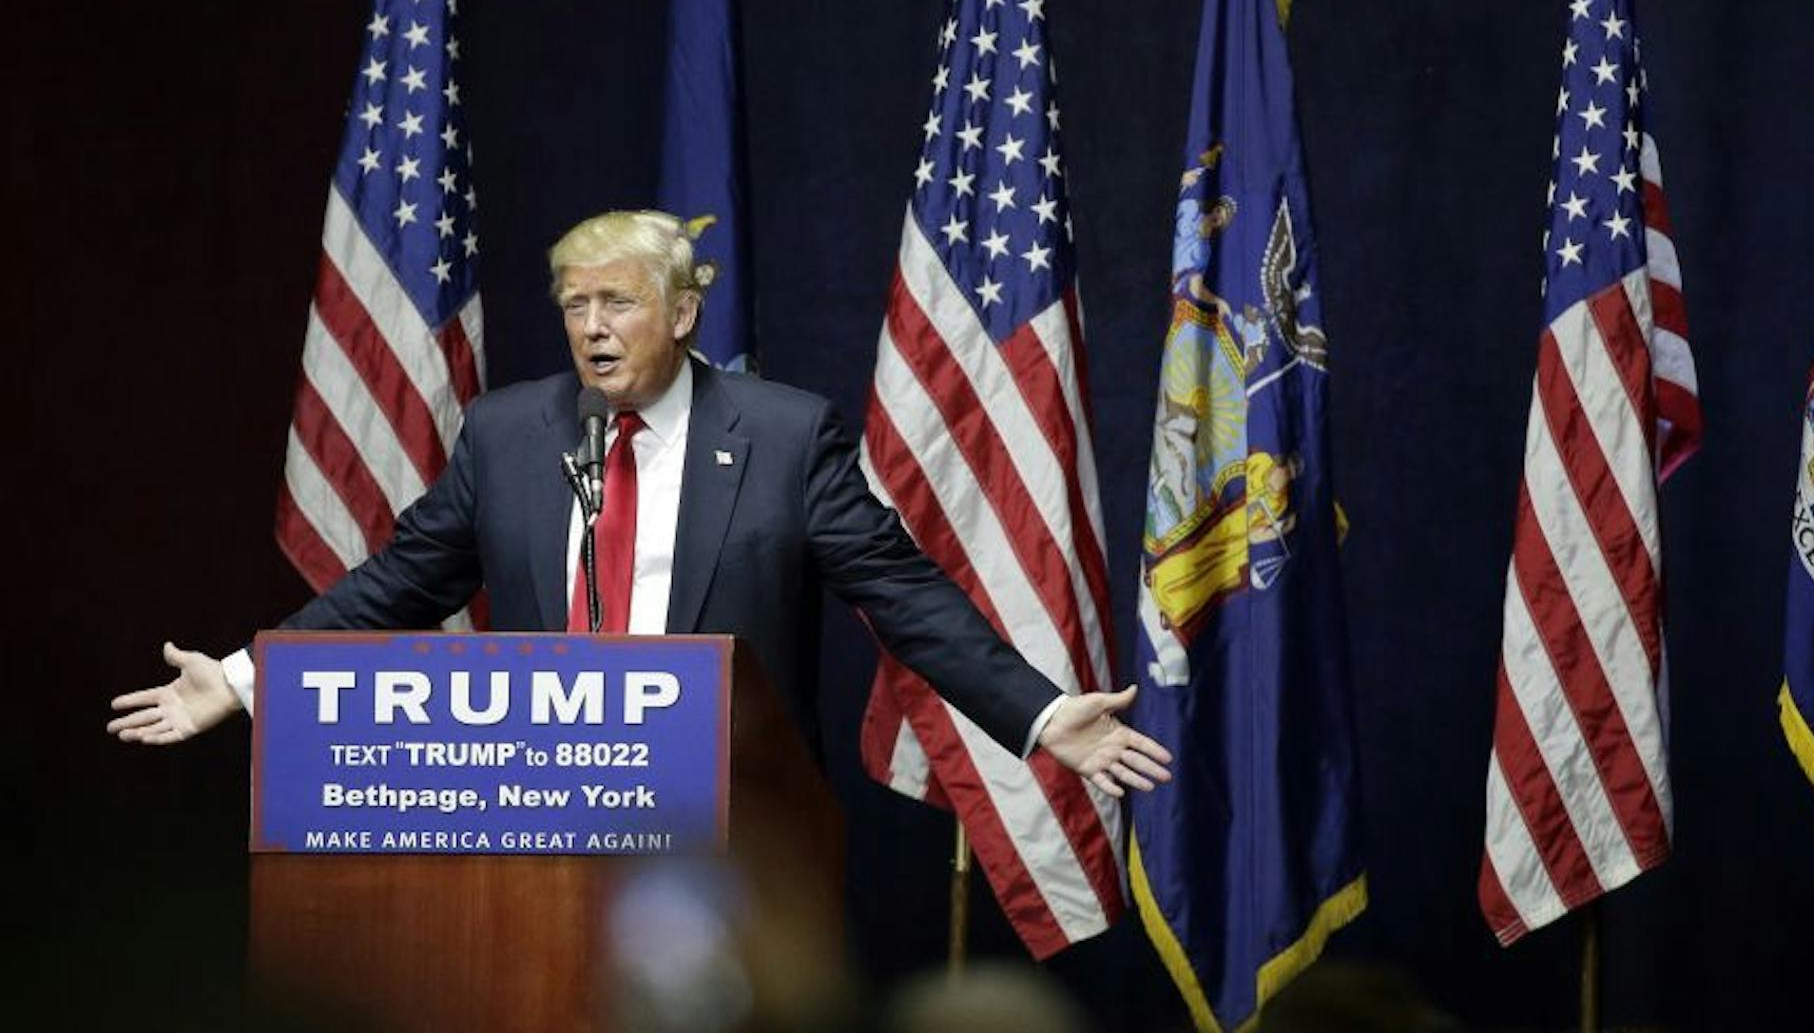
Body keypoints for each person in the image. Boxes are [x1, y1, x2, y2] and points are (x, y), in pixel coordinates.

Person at [109, 210, 1171, 797]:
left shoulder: (785, 435)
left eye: (617, 300)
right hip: (540, 808)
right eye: (575, 303)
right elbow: (398, 581)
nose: (591, 325)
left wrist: (1035, 711)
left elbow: (902, 593)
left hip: (732, 817)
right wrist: (248, 679)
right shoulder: (510, 432)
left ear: (684, 310)